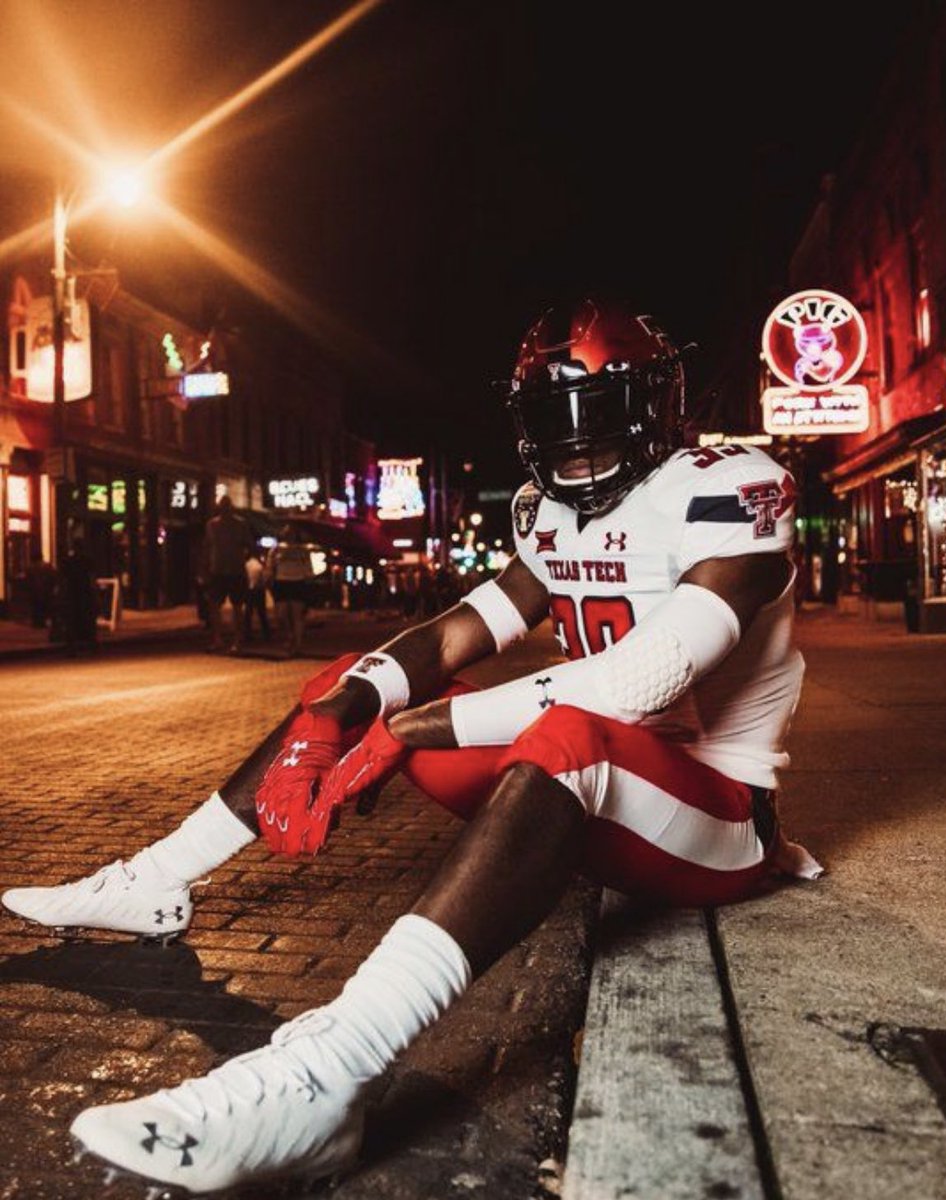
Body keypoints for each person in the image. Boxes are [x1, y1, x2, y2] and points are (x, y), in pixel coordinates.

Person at [2, 296, 822, 1194]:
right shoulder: (547, 514)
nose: (578, 446)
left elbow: (639, 682)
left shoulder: (728, 485)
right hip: (594, 798)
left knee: (567, 734)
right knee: (358, 675)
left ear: (656, 406)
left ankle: (329, 1076)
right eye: (556, 420)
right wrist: (346, 707)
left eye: (601, 416)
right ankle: (159, 878)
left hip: (718, 820)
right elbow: (449, 635)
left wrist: (421, 728)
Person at [200, 494, 253, 653]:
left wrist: (242, 558)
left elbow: (249, 546)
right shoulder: (212, 525)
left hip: (232, 570)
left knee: (235, 607)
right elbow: (207, 547)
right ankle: (220, 639)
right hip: (220, 570)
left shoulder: (239, 524)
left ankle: (234, 640)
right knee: (217, 606)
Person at [265, 523, 315, 656]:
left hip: (298, 582)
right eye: (287, 532)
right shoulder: (276, 549)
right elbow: (270, 567)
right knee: (281, 615)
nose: (289, 535)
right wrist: (269, 580)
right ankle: (289, 635)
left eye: (292, 532)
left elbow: (309, 569)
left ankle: (297, 645)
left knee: (297, 615)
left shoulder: (302, 550)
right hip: (281, 582)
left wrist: (309, 580)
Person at [243, 549, 271, 643]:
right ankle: (266, 633)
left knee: (248, 613)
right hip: (259, 590)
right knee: (262, 613)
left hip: (249, 590)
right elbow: (264, 579)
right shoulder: (260, 566)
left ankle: (247, 634)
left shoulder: (246, 565)